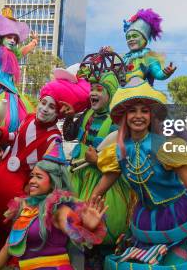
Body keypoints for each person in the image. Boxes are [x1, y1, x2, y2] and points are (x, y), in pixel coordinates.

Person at [92, 78, 187, 269]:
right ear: (124, 116)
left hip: (180, 215)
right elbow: (99, 190)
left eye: (144, 111)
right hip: (146, 220)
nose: (138, 116)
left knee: (178, 263)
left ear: (151, 116)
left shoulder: (165, 146)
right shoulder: (118, 152)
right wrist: (88, 215)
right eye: (132, 110)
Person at [0, 67, 90, 253]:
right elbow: (14, 137)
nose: (45, 109)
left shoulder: (54, 138)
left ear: (59, 113)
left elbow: (48, 173)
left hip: (15, 196)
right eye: (44, 103)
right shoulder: (29, 118)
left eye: (51, 107)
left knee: (15, 242)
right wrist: (1, 134)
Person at [63, 51, 134, 269]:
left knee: (103, 233)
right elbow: (70, 136)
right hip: (80, 179)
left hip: (106, 184)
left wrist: (98, 159)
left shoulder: (116, 122)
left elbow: (121, 155)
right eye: (92, 89)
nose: (93, 92)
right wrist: (68, 116)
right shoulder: (86, 115)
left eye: (99, 90)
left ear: (110, 95)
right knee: (82, 236)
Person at [0, 140, 107, 270]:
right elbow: (8, 246)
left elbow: (75, 234)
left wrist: (87, 227)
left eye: (39, 177)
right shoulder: (25, 207)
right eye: (32, 176)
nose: (32, 181)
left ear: (53, 182)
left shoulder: (58, 209)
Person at [121, 8, 176, 85]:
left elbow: (158, 74)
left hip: (143, 93)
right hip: (122, 93)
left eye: (134, 36)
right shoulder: (124, 58)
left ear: (144, 40)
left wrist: (166, 73)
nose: (131, 39)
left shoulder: (149, 56)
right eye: (128, 37)